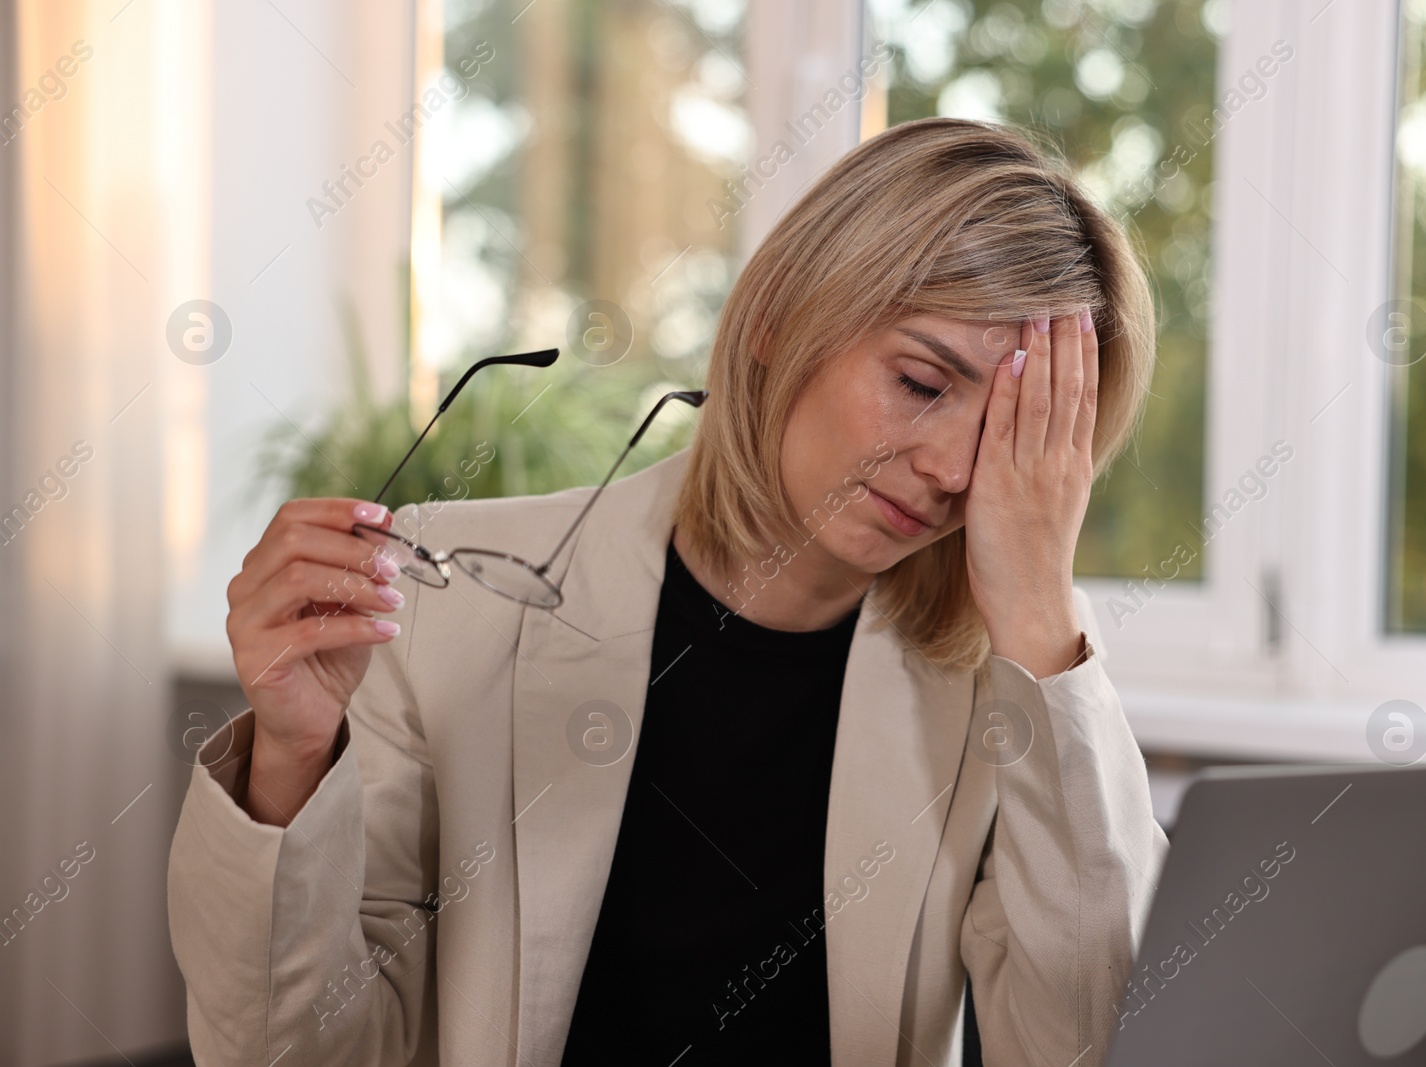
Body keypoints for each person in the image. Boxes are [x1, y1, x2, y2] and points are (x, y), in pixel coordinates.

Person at [167, 116, 1168, 1067]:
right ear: (778, 318)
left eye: (1013, 430)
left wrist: (1041, 618)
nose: (956, 466)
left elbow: (1087, 1041)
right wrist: (293, 757)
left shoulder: (1007, 689)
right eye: (920, 382)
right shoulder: (439, 597)